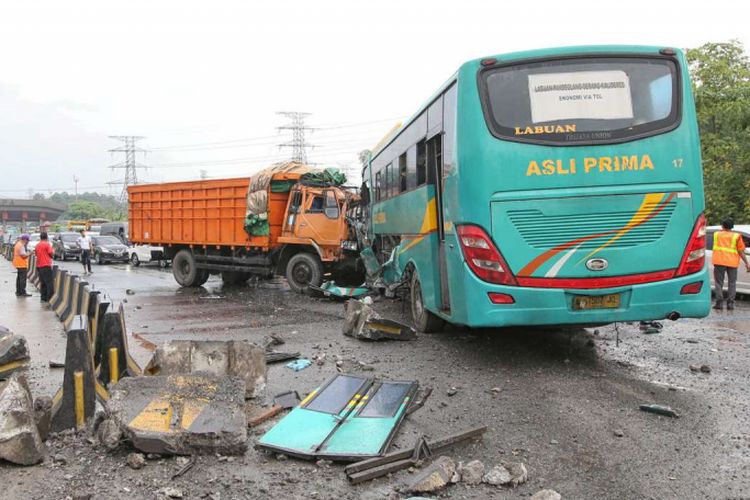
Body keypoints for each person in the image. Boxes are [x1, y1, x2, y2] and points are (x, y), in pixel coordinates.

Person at [712, 218, 750, 310]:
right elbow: (741, 251)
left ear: (722, 226)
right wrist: (747, 263)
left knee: (718, 283)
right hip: (732, 263)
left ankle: (719, 303)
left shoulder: (716, 234)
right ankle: (730, 304)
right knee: (732, 283)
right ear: (732, 227)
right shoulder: (736, 236)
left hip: (719, 262)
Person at [35, 232, 55, 303]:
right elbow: (51, 253)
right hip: (46, 265)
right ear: (46, 237)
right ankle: (49, 298)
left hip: (39, 266)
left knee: (42, 283)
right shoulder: (47, 244)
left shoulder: (37, 245)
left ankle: (43, 298)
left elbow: (36, 254)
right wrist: (53, 253)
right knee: (49, 283)